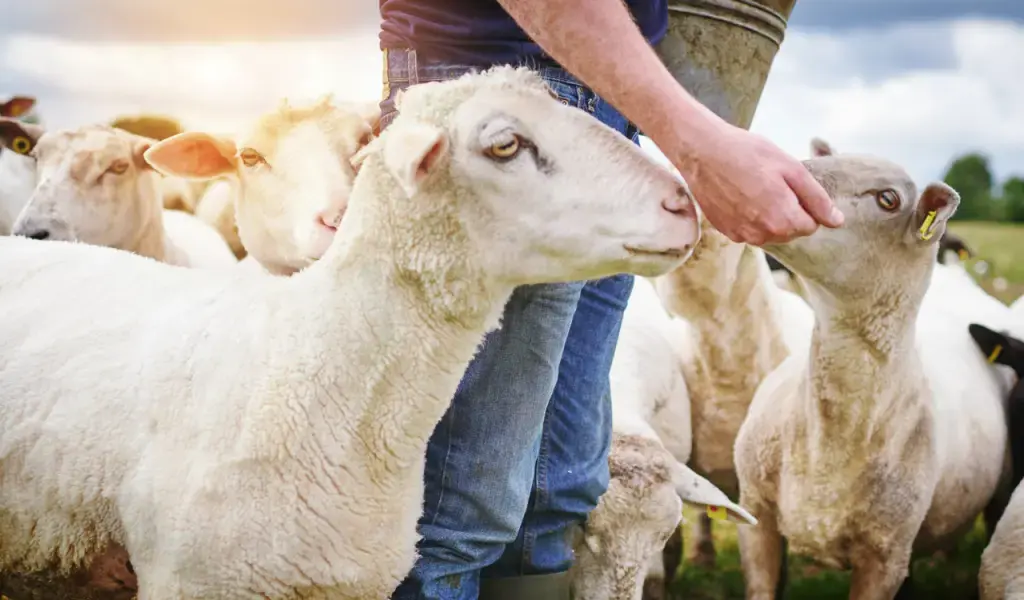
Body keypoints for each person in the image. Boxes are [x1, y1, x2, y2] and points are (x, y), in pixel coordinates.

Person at [376, 1, 845, 598]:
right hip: (494, 99)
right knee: (461, 505)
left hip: (608, 99)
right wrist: (697, 142)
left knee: (558, 490)